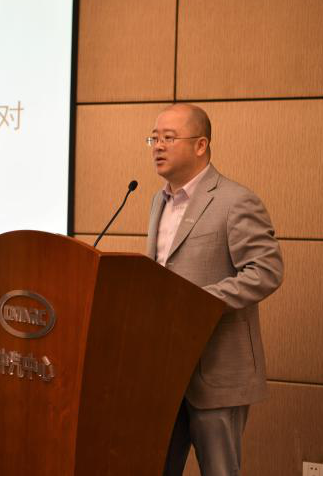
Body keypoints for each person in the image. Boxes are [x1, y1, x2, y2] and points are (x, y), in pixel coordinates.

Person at [146, 103, 283, 477]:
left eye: (169, 138)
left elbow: (266, 271)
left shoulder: (235, 200)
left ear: (201, 145)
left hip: (218, 369)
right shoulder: (158, 201)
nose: (158, 146)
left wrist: (199, 303)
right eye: (154, 138)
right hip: (165, 370)